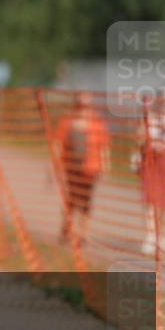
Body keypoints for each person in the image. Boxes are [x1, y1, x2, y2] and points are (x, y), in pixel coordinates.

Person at [52, 92, 110, 247]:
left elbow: (104, 145)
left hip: (90, 168)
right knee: (71, 200)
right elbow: (58, 142)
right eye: (81, 103)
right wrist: (55, 164)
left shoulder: (97, 121)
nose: (84, 107)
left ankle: (82, 234)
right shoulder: (68, 120)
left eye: (87, 104)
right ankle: (66, 230)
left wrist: (105, 165)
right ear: (76, 103)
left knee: (86, 201)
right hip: (71, 167)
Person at [139, 86, 165, 255]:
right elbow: (142, 136)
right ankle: (150, 234)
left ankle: (161, 235)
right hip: (152, 160)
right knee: (150, 199)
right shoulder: (151, 117)